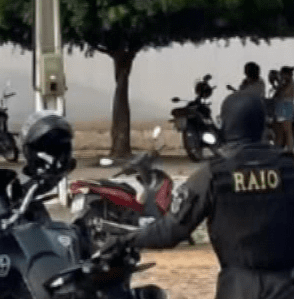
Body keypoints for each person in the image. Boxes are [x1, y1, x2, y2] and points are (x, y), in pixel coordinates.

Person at [120, 92, 294, 299]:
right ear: (262, 124)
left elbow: (169, 232)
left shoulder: (213, 175)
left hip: (238, 288)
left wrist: (125, 239)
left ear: (225, 124)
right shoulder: (289, 168)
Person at [270, 66, 293, 150]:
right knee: (279, 131)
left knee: (287, 130)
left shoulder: (290, 84)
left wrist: (279, 82)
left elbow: (284, 94)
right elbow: (275, 96)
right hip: (280, 108)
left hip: (286, 107)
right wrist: (274, 83)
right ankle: (278, 149)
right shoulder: (284, 84)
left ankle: (290, 150)